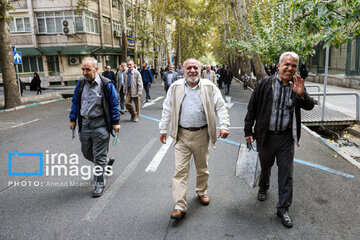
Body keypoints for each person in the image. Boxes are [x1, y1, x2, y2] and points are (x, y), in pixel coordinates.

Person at [244, 52, 315, 228]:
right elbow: (252, 108)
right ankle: (264, 187)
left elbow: (310, 105)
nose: (290, 68)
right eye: (287, 64)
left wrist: (301, 95)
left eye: (293, 66)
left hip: (286, 138)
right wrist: (248, 130)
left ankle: (283, 209)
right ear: (278, 65)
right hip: (265, 136)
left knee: (286, 173)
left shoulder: (296, 85)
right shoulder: (264, 84)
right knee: (265, 165)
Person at [159, 58, 230, 220]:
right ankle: (179, 205)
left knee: (202, 168)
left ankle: (201, 190)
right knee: (180, 171)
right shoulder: (176, 87)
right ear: (183, 71)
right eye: (189, 68)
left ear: (200, 70)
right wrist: (163, 129)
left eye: (195, 68)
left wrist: (224, 125)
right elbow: (167, 108)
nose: (192, 70)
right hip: (181, 135)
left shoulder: (209, 87)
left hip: (201, 134)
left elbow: (221, 107)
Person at [69, 57, 120, 197]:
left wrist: (115, 122)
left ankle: (99, 184)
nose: (85, 72)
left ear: (96, 69)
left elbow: (114, 104)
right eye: (83, 69)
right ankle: (106, 161)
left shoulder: (106, 84)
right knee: (86, 152)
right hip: (85, 124)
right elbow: (75, 102)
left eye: (88, 69)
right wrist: (72, 119)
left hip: (100, 124)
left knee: (98, 157)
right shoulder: (80, 84)